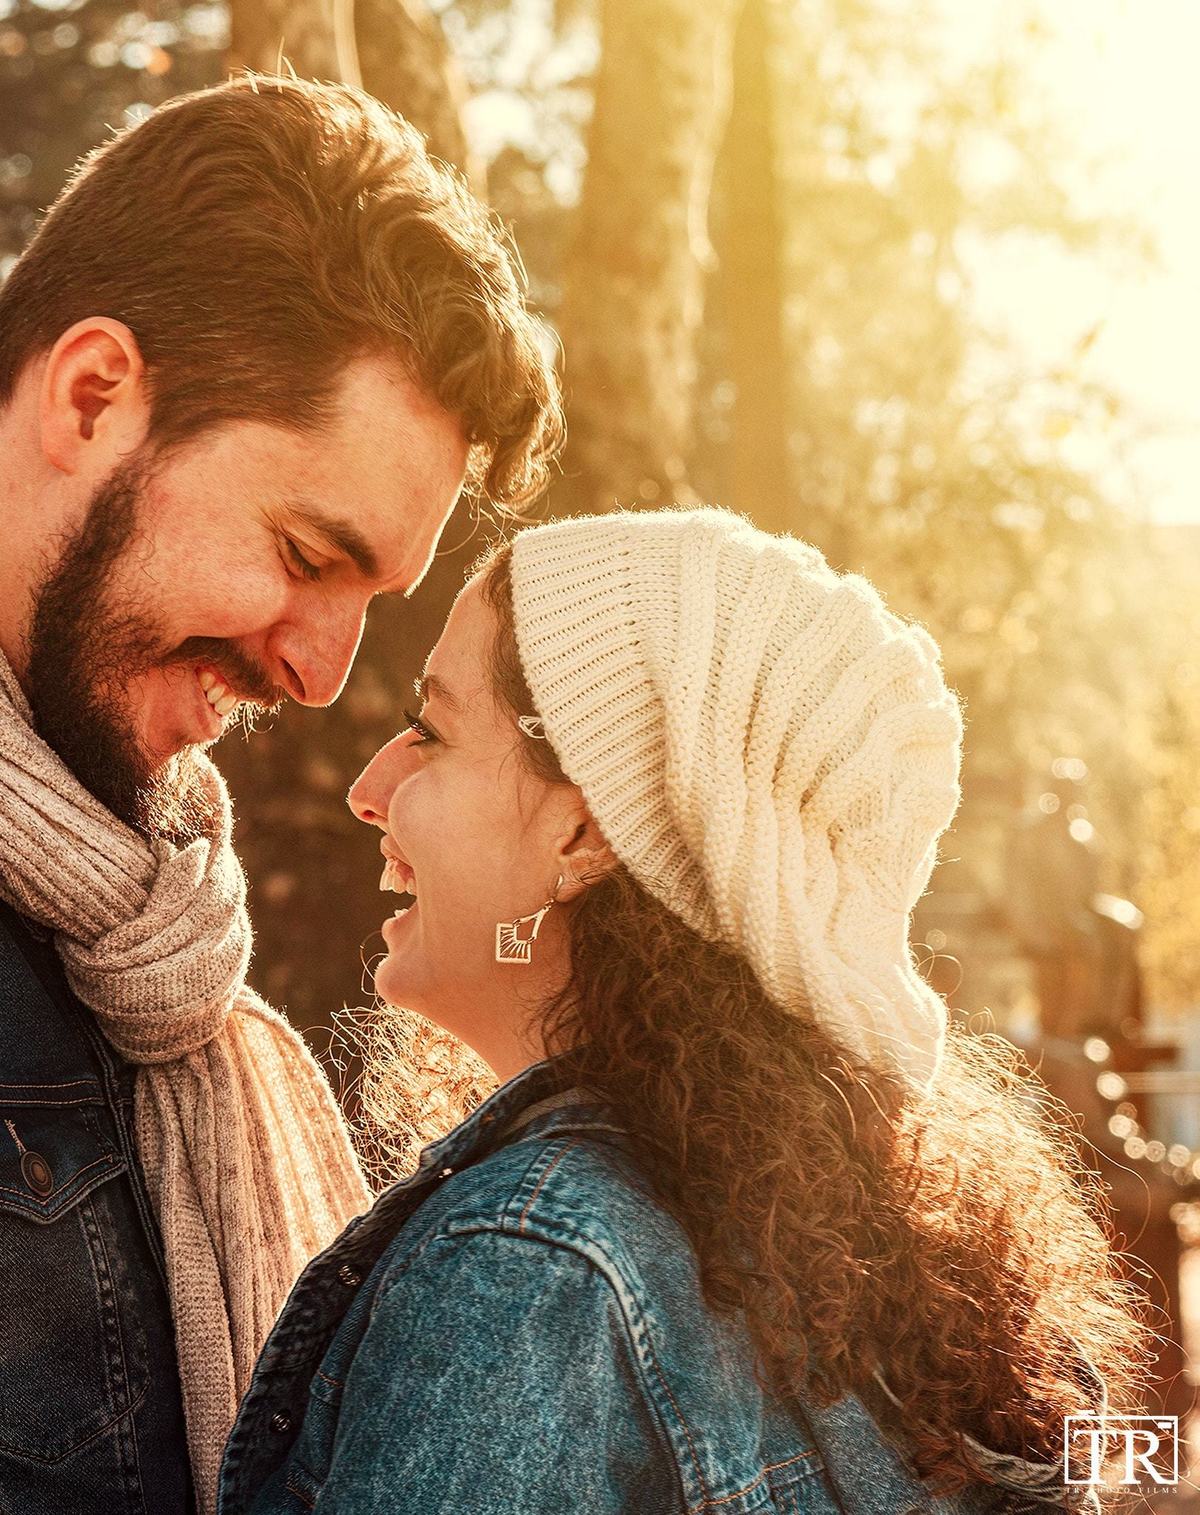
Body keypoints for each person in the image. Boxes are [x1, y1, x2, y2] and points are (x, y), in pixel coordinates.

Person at [219, 507, 1151, 1515]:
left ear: (581, 833)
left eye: (432, 730)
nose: (369, 789)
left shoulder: (529, 1269)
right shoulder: (848, 1253)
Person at [0, 75, 561, 1515]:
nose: (321, 676)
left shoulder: (152, 937)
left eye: (369, 599)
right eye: (310, 555)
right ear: (91, 395)